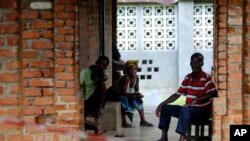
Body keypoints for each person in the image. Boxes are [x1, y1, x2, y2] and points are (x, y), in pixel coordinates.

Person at [155, 52, 217, 141]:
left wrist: (195, 100)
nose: (194, 65)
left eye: (197, 62)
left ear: (202, 64)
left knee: (185, 110)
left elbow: (213, 93)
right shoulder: (188, 78)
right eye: (193, 62)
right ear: (190, 63)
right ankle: (164, 137)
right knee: (165, 108)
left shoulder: (205, 77)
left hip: (202, 111)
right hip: (188, 110)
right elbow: (177, 94)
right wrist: (162, 103)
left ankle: (182, 138)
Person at [106, 60, 153, 128]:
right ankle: (124, 122)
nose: (132, 71)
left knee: (138, 100)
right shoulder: (126, 78)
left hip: (124, 94)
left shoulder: (136, 77)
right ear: (127, 70)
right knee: (124, 100)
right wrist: (132, 95)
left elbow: (136, 89)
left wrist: (138, 94)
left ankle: (143, 121)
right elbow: (123, 93)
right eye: (130, 69)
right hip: (113, 94)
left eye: (134, 69)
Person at [80, 55, 109, 134]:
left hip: (97, 102)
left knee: (102, 84)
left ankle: (99, 110)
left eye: (105, 65)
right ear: (96, 62)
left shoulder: (103, 72)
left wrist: (97, 72)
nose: (103, 67)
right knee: (78, 118)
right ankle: (95, 126)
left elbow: (105, 78)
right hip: (87, 100)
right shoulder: (85, 72)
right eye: (101, 64)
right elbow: (80, 87)